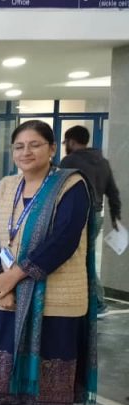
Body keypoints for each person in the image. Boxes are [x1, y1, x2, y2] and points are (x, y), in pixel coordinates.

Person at [0, 120, 97, 405]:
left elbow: (63, 240)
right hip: (10, 299)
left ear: (52, 149)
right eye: (19, 146)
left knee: (51, 376)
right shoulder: (6, 187)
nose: (26, 152)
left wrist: (14, 277)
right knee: (8, 369)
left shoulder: (71, 186)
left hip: (56, 299)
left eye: (35, 145)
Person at [60, 124, 120, 314]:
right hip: (96, 215)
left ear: (71, 141)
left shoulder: (69, 161)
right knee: (86, 258)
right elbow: (113, 192)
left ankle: (97, 303)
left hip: (77, 216)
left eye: (65, 142)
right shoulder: (103, 162)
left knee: (80, 259)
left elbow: (59, 190)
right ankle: (94, 302)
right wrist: (115, 218)